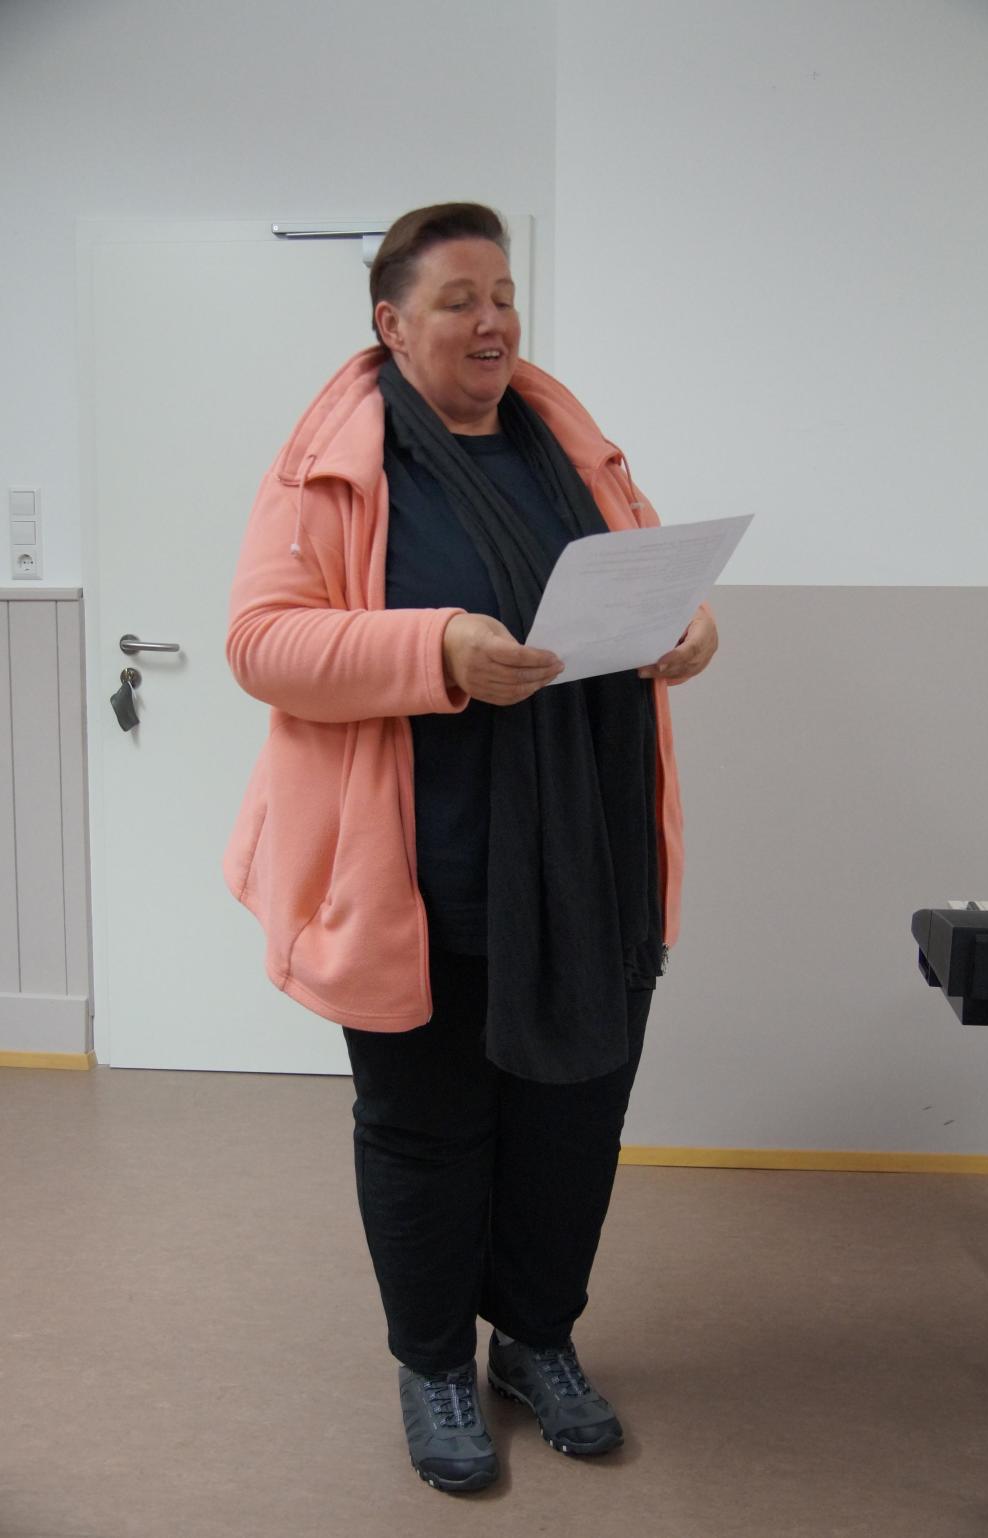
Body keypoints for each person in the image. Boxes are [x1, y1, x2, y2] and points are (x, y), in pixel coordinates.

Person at [223, 203, 718, 1494]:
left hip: (590, 865)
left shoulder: (569, 445)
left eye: (503, 296)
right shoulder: (335, 466)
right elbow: (261, 643)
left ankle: (537, 1341)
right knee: (426, 1130)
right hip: (420, 869)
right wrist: (432, 645)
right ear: (392, 325)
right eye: (459, 301)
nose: (493, 321)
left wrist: (688, 626)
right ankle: (436, 1361)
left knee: (573, 1122)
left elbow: (645, 577)